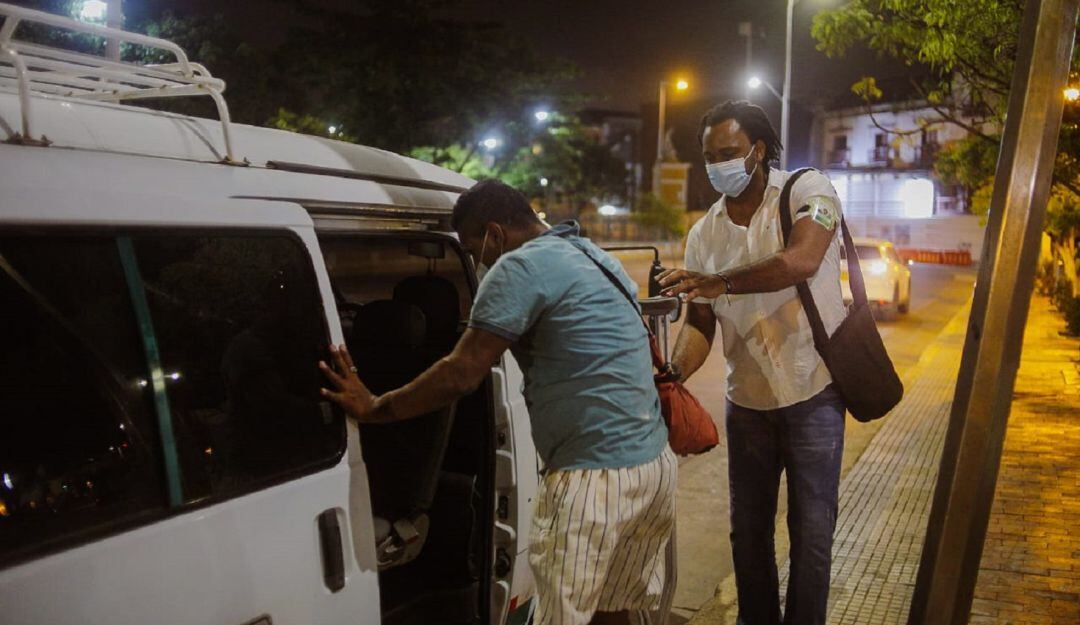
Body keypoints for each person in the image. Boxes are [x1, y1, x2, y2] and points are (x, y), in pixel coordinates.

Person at [320, 179, 677, 625]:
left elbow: (460, 374)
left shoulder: (518, 268)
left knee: (563, 618)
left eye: (473, 248)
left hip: (595, 480)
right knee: (612, 610)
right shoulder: (594, 256)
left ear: (494, 232)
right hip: (652, 466)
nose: (476, 259)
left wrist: (374, 407)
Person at [657, 100, 846, 625]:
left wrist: (724, 281)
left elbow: (801, 260)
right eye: (710, 156)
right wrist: (673, 374)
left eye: (729, 153)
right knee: (749, 532)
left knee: (812, 531)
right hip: (748, 404)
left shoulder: (809, 192)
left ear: (758, 150)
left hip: (815, 393)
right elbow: (700, 323)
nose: (718, 164)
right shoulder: (703, 234)